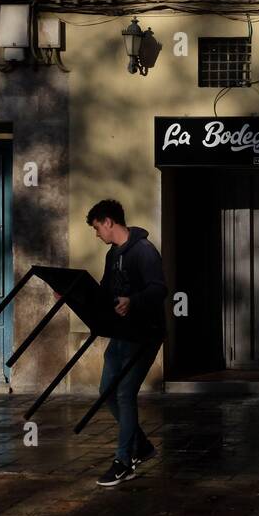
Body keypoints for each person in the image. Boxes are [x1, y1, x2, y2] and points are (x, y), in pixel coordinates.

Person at [86, 199, 167, 487]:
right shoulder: (112, 255)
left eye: (97, 228)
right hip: (120, 334)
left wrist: (133, 301)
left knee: (124, 393)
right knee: (106, 391)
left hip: (145, 334)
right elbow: (106, 292)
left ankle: (123, 461)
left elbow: (159, 289)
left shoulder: (144, 251)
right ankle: (141, 446)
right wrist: (72, 294)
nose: (97, 234)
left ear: (109, 221)